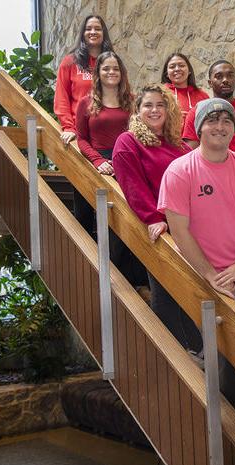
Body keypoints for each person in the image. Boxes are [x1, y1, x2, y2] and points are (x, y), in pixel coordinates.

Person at [158, 97, 235, 424]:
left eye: (225, 121)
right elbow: (179, 230)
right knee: (221, 354)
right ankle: (231, 428)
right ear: (199, 127)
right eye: (212, 120)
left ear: (234, 129)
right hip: (201, 275)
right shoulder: (180, 170)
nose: (219, 127)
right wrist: (210, 275)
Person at [113, 83, 200, 351]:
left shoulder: (179, 145)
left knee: (194, 289)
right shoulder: (128, 141)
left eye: (160, 105)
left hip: (191, 226)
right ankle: (180, 353)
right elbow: (132, 185)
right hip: (163, 228)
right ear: (137, 111)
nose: (154, 110)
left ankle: (200, 349)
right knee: (167, 287)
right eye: (148, 105)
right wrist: (153, 218)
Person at [74, 51, 146, 288]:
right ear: (98, 73)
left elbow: (139, 133)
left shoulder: (132, 101)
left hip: (127, 160)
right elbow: (81, 139)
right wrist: (97, 161)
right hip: (99, 164)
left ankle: (129, 276)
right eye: (106, 68)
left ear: (122, 73)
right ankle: (101, 272)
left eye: (115, 68)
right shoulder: (87, 102)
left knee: (128, 216)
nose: (111, 72)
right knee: (100, 218)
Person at [54, 15, 114, 146]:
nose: (93, 32)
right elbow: (61, 98)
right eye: (88, 29)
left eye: (97, 28)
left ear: (104, 33)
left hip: (108, 130)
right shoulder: (70, 62)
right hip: (81, 131)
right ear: (83, 33)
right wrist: (69, 127)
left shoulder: (112, 62)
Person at [181, 60, 235, 153]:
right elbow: (191, 152)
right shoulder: (197, 112)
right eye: (219, 77)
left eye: (230, 75)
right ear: (210, 83)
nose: (225, 80)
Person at [160, 53, 209, 124]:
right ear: (167, 73)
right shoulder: (160, 93)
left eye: (181, 65)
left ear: (189, 71)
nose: (177, 69)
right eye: (172, 67)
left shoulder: (203, 96)